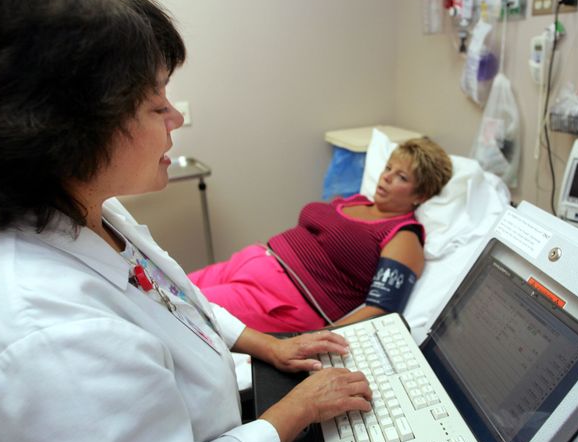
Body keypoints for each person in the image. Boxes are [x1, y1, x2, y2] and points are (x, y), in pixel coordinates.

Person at [0, 0, 372, 442]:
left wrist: (268, 345)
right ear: (71, 129)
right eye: (155, 103)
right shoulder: (55, 332)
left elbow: (176, 300)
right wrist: (298, 408)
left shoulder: (90, 212)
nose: (175, 117)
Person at [189, 138, 453, 333]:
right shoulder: (356, 201)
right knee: (158, 287)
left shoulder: (403, 236)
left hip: (281, 301)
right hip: (247, 264)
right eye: (388, 169)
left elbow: (382, 309)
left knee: (176, 312)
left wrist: (321, 338)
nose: (386, 178)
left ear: (421, 195)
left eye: (402, 177)